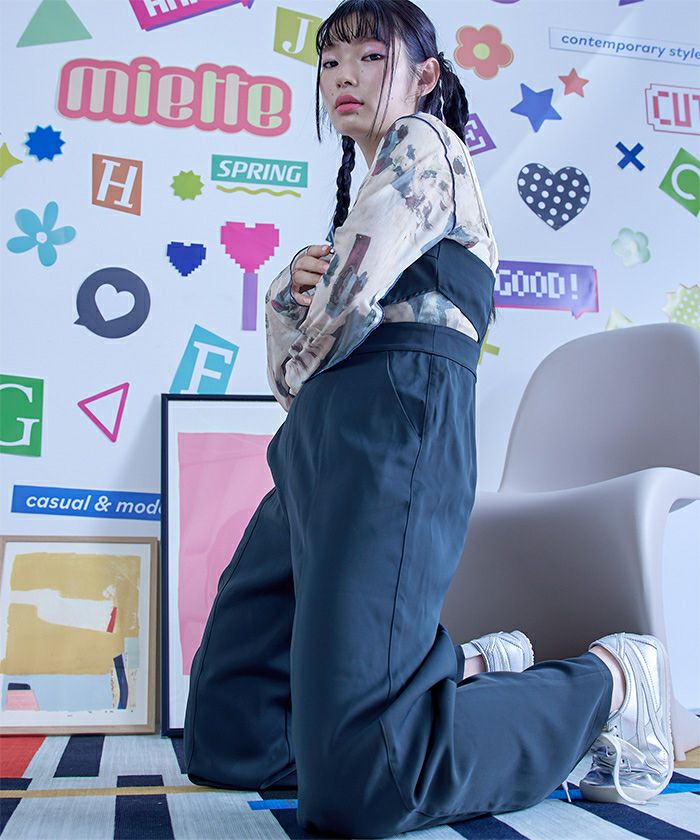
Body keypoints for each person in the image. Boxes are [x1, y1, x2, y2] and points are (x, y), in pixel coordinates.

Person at [183, 1, 674, 835]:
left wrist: (308, 317)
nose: (344, 76)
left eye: (372, 57)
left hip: (393, 424)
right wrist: (290, 294)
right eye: (330, 62)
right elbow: (294, 376)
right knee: (230, 734)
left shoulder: (425, 145)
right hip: (315, 442)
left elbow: (328, 329)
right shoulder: (362, 208)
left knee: (368, 786)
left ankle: (612, 681)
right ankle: (470, 670)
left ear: (425, 77)